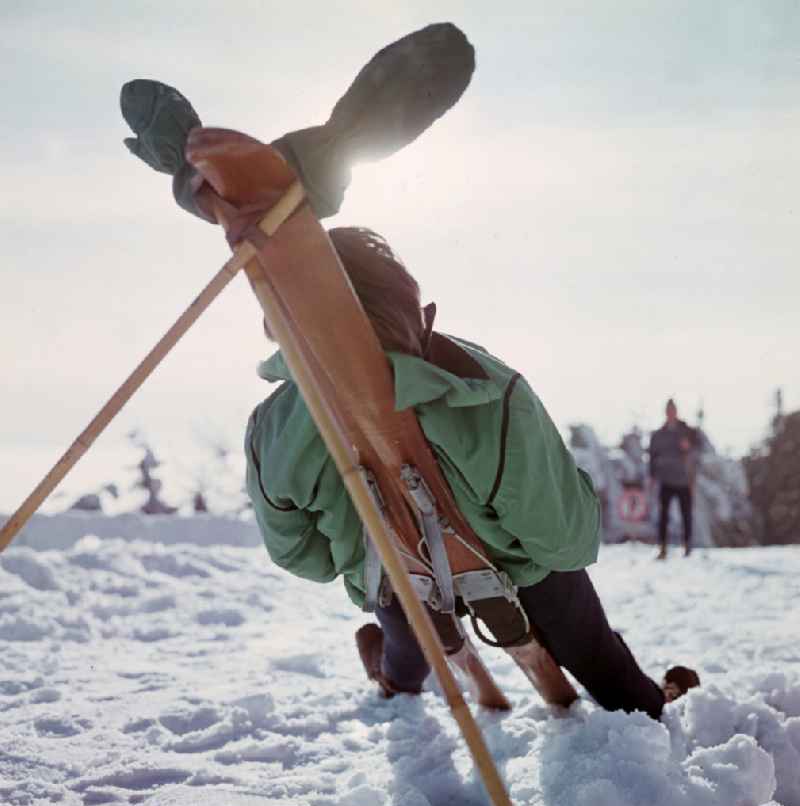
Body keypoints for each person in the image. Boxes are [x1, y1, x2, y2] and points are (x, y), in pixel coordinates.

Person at [245, 227, 699, 720]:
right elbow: (564, 542)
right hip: (518, 576)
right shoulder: (486, 391)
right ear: (412, 313)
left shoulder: (270, 430)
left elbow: (305, 559)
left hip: (396, 580)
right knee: (602, 665)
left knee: (405, 658)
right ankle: (645, 697)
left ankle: (390, 667)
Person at [648, 399, 698, 559]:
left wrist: (689, 447)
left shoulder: (687, 430)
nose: (671, 413)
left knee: (686, 514)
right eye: (668, 410)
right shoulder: (658, 434)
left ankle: (687, 545)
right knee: (663, 516)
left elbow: (699, 447)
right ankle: (662, 548)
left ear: (676, 411)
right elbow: (652, 456)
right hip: (666, 479)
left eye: (673, 410)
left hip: (684, 479)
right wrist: (652, 475)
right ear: (665, 412)